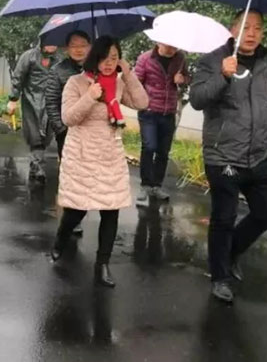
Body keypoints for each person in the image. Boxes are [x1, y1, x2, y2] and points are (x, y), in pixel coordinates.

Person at [189, 10, 267, 304]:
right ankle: (220, 277)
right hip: (224, 157)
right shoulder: (213, 60)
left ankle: (228, 254)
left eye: (258, 28)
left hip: (261, 156)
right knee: (224, 216)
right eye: (245, 27)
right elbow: (197, 99)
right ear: (233, 30)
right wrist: (222, 75)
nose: (252, 33)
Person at [51, 36, 149, 288]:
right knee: (77, 209)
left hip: (109, 153)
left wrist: (128, 74)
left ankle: (102, 263)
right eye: (104, 58)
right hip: (82, 153)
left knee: (111, 208)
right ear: (94, 58)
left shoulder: (118, 83)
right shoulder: (76, 82)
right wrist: (90, 96)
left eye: (114, 58)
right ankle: (61, 238)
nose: (109, 63)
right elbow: (68, 118)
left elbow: (142, 103)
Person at [134, 42, 189, 205]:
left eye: (175, 46)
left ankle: (157, 185)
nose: (172, 49)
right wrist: (143, 101)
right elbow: (135, 83)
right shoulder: (145, 59)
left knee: (163, 151)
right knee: (149, 147)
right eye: (168, 45)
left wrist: (182, 79)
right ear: (159, 42)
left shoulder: (180, 58)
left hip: (169, 112)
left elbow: (187, 78)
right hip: (149, 112)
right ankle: (145, 185)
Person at [7, 41, 59, 182]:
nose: (52, 45)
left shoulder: (58, 60)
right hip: (31, 101)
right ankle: (38, 165)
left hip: (49, 102)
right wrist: (13, 99)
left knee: (47, 135)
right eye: (50, 42)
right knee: (34, 134)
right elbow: (18, 77)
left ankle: (35, 163)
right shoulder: (28, 56)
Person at [44, 31, 91, 160]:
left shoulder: (97, 68)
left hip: (92, 130)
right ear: (66, 48)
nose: (78, 50)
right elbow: (51, 103)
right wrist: (60, 129)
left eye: (83, 45)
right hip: (67, 131)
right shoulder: (57, 70)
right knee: (69, 168)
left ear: (90, 46)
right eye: (74, 46)